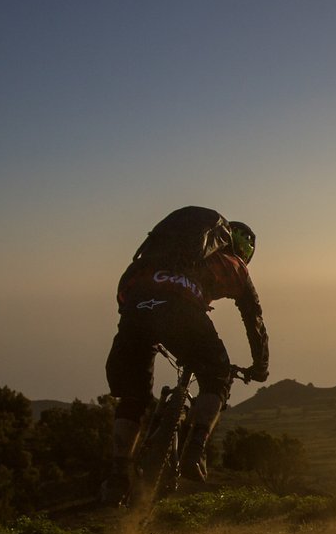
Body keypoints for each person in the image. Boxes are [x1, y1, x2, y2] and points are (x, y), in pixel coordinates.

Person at [102, 211, 269, 503]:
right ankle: (196, 448)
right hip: (181, 313)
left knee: (134, 398)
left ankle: (118, 474)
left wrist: (138, 318)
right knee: (216, 375)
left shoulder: (160, 257)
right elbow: (253, 318)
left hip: (136, 309)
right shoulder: (231, 264)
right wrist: (260, 366)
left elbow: (123, 296)